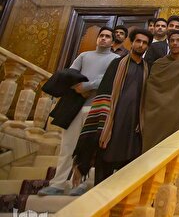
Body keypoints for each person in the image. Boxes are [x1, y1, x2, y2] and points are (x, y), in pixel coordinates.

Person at [39, 27, 119, 196]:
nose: (104, 39)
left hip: (96, 107)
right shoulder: (84, 56)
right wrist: (77, 87)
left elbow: (108, 80)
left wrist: (86, 86)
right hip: (75, 106)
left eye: (107, 37)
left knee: (87, 147)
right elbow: (70, 74)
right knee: (67, 145)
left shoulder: (116, 59)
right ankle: (58, 183)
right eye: (101, 36)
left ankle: (80, 184)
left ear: (113, 42)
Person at [72, 28, 153, 185]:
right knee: (105, 158)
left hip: (134, 123)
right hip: (112, 120)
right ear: (132, 43)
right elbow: (104, 90)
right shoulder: (117, 63)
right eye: (138, 41)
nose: (141, 45)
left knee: (129, 164)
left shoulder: (147, 68)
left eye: (144, 43)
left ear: (147, 46)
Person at [141, 30, 179, 152]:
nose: (175, 43)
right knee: (152, 150)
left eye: (178, 40)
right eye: (172, 40)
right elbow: (150, 90)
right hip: (156, 114)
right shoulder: (158, 64)